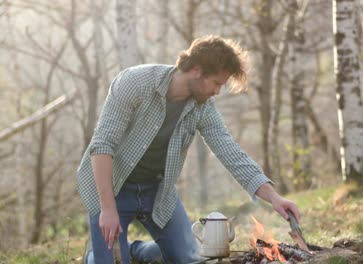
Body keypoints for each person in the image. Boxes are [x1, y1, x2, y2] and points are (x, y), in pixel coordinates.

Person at [76, 35, 301, 264]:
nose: (217, 91)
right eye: (216, 83)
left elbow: (231, 154)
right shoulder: (134, 83)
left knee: (191, 258)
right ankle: (95, 255)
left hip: (157, 191)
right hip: (112, 187)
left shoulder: (203, 107)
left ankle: (136, 250)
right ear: (196, 70)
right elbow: (102, 145)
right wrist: (107, 208)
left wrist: (274, 197)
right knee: (109, 261)